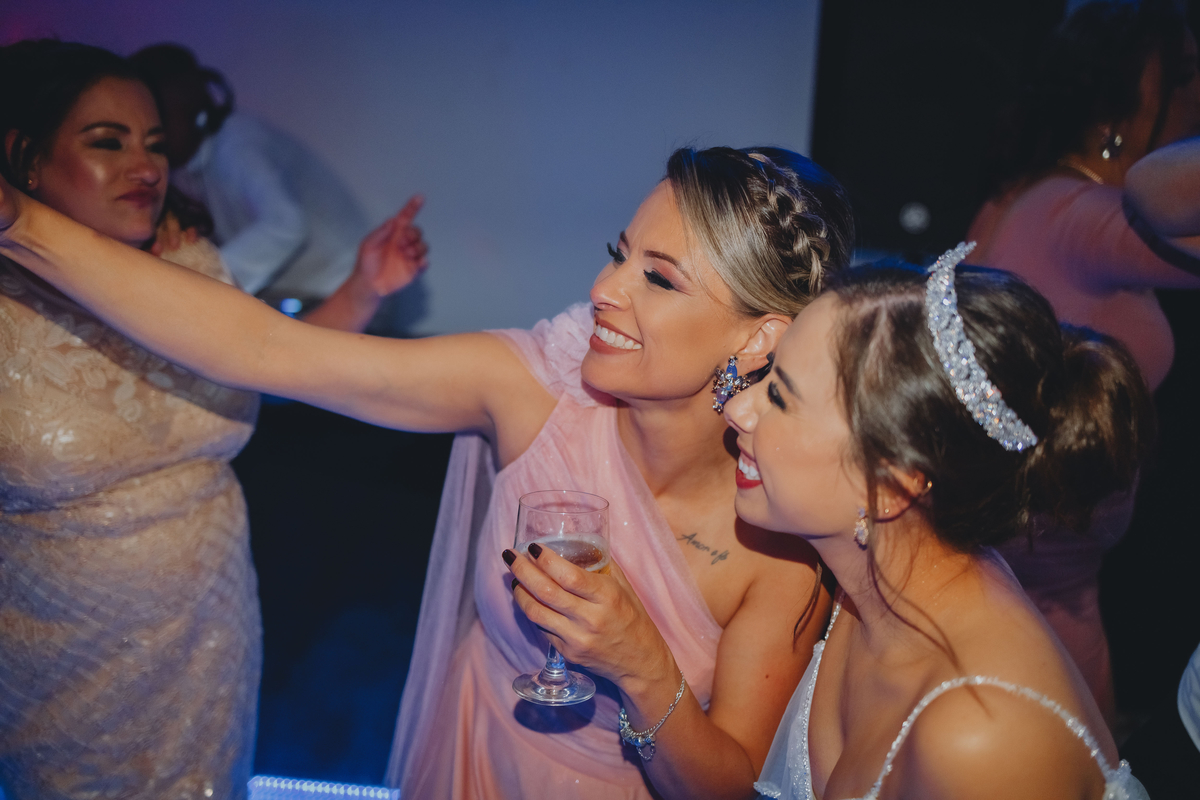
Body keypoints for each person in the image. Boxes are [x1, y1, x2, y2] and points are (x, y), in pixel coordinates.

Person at [0, 140, 853, 798]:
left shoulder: (779, 534)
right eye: (617, 252)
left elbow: (727, 787)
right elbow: (265, 347)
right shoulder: (534, 390)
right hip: (470, 758)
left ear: (759, 338)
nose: (604, 287)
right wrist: (21, 225)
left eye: (658, 279)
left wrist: (643, 668)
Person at [0, 40, 427, 799]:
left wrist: (363, 289)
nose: (146, 166)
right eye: (109, 142)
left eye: (155, 144)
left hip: (210, 633)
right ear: (25, 160)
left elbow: (270, 364)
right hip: (61, 667)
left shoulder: (188, 261)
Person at [708, 246, 1152, 799]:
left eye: (779, 396)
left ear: (893, 484)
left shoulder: (982, 736)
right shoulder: (871, 580)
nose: (737, 409)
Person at [966, 0, 1200, 724]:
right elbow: (1169, 194)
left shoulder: (1022, 197)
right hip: (1044, 579)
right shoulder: (1081, 218)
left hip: (1036, 565)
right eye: (1186, 73)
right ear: (1120, 104)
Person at [130, 43, 389, 311]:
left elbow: (285, 224)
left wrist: (206, 276)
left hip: (341, 288)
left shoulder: (237, 144)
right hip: (304, 293)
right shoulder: (186, 167)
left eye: (160, 121)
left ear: (194, 112)